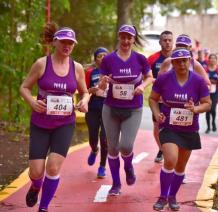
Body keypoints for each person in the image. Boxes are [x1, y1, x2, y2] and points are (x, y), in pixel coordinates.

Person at [20, 23, 89, 212]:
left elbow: (85, 92)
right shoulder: (42, 63)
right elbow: (24, 87)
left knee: (52, 168)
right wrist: (32, 103)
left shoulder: (77, 68)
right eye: (64, 42)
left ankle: (43, 207)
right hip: (40, 123)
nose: (67, 46)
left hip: (64, 124)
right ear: (55, 42)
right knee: (36, 172)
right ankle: (36, 186)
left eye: (71, 43)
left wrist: (85, 101)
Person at [149, 48, 211, 211]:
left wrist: (196, 109)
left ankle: (172, 196)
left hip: (189, 128)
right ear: (173, 63)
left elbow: (207, 103)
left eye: (185, 60)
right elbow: (153, 99)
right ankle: (162, 197)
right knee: (170, 159)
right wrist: (157, 113)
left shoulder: (198, 81)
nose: (182, 64)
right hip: (168, 126)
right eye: (178, 61)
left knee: (181, 166)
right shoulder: (163, 79)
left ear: (190, 61)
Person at [98, 24, 153, 196]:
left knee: (126, 145)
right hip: (111, 108)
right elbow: (100, 84)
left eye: (129, 37)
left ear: (133, 39)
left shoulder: (140, 59)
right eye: (123, 37)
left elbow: (150, 77)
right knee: (112, 148)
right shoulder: (108, 60)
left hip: (133, 109)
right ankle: (116, 184)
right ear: (118, 37)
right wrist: (104, 81)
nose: (126, 41)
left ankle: (128, 166)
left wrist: (142, 86)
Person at [147, 30, 173, 163]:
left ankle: (170, 149)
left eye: (169, 40)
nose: (167, 42)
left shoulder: (178, 58)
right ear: (160, 42)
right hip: (157, 99)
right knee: (157, 125)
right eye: (165, 40)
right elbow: (145, 75)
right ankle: (161, 149)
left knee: (171, 126)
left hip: (173, 100)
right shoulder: (153, 59)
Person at [85, 47, 109, 178]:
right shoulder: (90, 72)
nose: (103, 57)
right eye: (100, 55)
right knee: (93, 137)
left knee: (105, 139)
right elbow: (84, 90)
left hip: (108, 109)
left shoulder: (113, 72)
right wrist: (91, 90)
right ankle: (94, 149)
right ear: (95, 59)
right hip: (93, 108)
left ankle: (102, 166)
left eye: (106, 55)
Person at [205, 53, 218, 133]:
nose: (212, 60)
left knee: (213, 108)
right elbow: (202, 80)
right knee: (207, 109)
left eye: (214, 58)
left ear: (216, 60)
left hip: (215, 91)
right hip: (206, 92)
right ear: (208, 60)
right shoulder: (205, 69)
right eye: (211, 58)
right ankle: (208, 127)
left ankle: (213, 122)